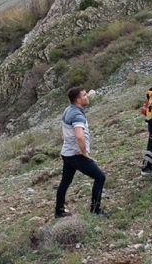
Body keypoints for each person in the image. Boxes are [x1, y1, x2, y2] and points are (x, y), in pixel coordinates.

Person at [55, 86, 108, 218]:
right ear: (78, 100)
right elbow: (79, 136)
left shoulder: (68, 110)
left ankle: (59, 211)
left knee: (65, 182)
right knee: (100, 177)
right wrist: (84, 153)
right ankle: (95, 210)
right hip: (76, 155)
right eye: (84, 95)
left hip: (67, 152)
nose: (88, 96)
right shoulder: (77, 115)